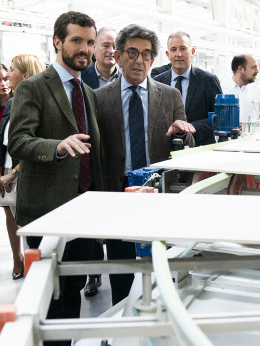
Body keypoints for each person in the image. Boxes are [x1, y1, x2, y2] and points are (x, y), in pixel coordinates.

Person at [8, 11, 101, 346]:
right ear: (58, 42)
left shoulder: (87, 92)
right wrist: (58, 146)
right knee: (50, 295)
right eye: (77, 40)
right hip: (46, 210)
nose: (85, 49)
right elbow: (18, 141)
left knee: (72, 287)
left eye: (90, 42)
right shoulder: (34, 88)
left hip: (82, 211)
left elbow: (95, 155)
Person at [96, 24, 194, 305]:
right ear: (118, 56)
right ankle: (121, 322)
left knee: (162, 269)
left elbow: (186, 149)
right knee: (121, 270)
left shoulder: (170, 96)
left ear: (153, 60)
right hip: (117, 194)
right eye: (132, 52)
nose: (139, 60)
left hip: (158, 194)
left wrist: (183, 133)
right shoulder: (99, 98)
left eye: (146, 55)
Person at [0, 54, 45, 282]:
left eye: (11, 70)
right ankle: (23, 264)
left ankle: (38, 279)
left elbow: (35, 146)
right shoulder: (13, 102)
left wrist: (12, 174)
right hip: (11, 177)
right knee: (18, 223)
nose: (7, 76)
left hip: (31, 177)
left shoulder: (41, 102)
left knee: (36, 233)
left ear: (24, 75)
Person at [80, 26, 121, 298]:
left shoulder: (128, 76)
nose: (110, 51)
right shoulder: (81, 79)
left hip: (118, 159)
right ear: (95, 49)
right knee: (92, 222)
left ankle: (119, 271)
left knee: (118, 221)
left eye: (114, 46)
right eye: (105, 45)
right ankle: (93, 274)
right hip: (91, 159)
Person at [153, 31, 222, 146]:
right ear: (167, 54)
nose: (178, 54)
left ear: (192, 52)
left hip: (199, 147)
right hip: (166, 147)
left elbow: (219, 117)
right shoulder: (157, 81)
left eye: (183, 49)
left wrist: (188, 128)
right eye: (173, 49)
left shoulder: (209, 80)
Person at [221, 54, 260, 122]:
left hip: (253, 132)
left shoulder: (259, 90)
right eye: (253, 67)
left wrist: (249, 125)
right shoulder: (222, 90)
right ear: (240, 69)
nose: (257, 71)